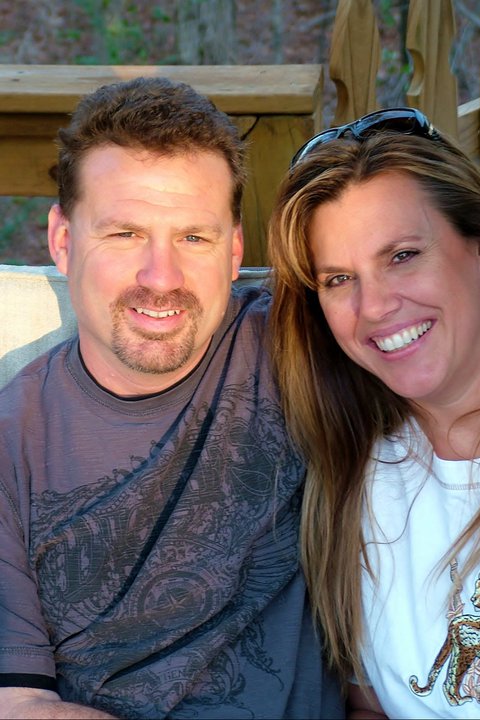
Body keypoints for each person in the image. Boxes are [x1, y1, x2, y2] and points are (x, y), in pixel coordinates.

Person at [0, 77, 344, 719]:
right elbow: (18, 702)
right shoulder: (10, 442)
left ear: (235, 250)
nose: (161, 278)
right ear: (63, 241)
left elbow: (455, 288)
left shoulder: (302, 343)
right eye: (125, 234)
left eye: (193, 238)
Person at [268, 108, 480, 719]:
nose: (374, 306)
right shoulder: (345, 475)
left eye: (402, 255)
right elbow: (370, 703)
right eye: (338, 279)